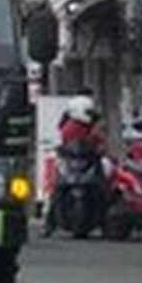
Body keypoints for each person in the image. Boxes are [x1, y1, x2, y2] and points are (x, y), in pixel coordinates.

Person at [42, 94, 106, 236]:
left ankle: (105, 221)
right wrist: (60, 149)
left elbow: (100, 140)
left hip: (88, 160)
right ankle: (49, 224)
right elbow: (63, 141)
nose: (90, 115)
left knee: (103, 186)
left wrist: (99, 146)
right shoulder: (69, 126)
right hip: (70, 161)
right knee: (56, 190)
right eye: (88, 112)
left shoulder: (92, 125)